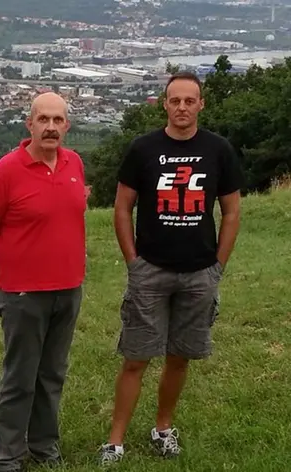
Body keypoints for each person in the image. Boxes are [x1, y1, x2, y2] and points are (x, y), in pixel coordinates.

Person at [99, 71, 245, 464]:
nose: (182, 107)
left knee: (180, 357)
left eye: (189, 100)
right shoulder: (143, 148)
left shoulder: (218, 150)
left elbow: (231, 211)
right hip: (151, 270)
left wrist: (218, 265)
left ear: (201, 104)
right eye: (175, 100)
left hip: (200, 272)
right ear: (164, 104)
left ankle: (163, 428)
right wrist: (133, 262)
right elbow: (121, 207)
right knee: (136, 358)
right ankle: (115, 441)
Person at [0, 92, 88, 472]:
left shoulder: (74, 164)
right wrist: (9, 270)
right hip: (23, 293)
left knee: (52, 374)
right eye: (43, 120)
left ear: (67, 126)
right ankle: (7, 455)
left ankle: (43, 447)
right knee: (20, 378)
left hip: (68, 289)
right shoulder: (7, 170)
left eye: (58, 120)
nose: (51, 127)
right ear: (30, 124)